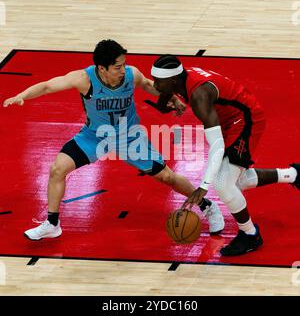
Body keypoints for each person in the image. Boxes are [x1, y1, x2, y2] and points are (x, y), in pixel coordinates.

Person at [3, 40, 224, 240]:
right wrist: (22, 95)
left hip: (129, 138)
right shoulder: (84, 78)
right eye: (117, 66)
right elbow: (48, 86)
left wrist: (173, 99)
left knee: (167, 176)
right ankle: (52, 223)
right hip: (94, 136)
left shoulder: (131, 74)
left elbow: (148, 85)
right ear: (102, 68)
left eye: (124, 64)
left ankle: (207, 205)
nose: (123, 70)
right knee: (57, 169)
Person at [150, 54, 300, 256]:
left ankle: (250, 235)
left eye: (159, 81)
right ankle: (294, 174)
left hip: (246, 119)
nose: (155, 84)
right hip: (228, 119)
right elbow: (165, 93)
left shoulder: (199, 96)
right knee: (237, 181)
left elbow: (217, 146)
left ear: (174, 80)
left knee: (222, 184)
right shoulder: (179, 79)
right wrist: (163, 104)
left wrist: (203, 187)